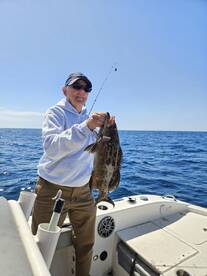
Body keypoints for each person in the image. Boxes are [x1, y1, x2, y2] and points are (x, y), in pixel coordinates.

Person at [31, 72, 106, 276]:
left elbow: (93, 154)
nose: (81, 92)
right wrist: (86, 126)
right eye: (76, 87)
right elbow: (52, 147)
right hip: (52, 191)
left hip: (83, 192)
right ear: (65, 90)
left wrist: (108, 129)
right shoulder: (55, 113)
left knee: (86, 245)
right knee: (40, 246)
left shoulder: (87, 118)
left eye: (86, 88)